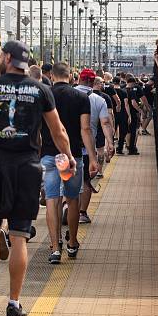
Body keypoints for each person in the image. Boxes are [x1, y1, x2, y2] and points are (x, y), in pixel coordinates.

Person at [0, 40, 77, 316]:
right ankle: (13, 302)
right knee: (19, 236)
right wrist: (69, 156)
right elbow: (58, 129)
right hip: (27, 168)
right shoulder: (40, 89)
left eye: (1, 54)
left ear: (8, 58)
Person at [40, 62, 95, 262]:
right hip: (71, 158)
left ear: (52, 77)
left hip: (49, 156)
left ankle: (55, 248)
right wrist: (93, 158)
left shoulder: (44, 95)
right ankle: (72, 243)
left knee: (52, 200)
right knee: (72, 199)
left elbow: (38, 129)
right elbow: (85, 129)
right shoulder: (81, 97)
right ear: (71, 77)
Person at [75, 69, 114, 224]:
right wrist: (110, 142)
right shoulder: (99, 100)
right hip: (87, 147)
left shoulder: (67, 94)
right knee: (85, 181)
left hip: (64, 146)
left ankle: (64, 208)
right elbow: (105, 122)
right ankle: (82, 213)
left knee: (65, 180)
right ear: (92, 82)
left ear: (79, 79)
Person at [92, 76, 115, 178]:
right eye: (102, 82)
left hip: (88, 126)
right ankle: (100, 171)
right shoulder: (105, 97)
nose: (103, 84)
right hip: (101, 127)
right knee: (100, 150)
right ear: (98, 84)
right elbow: (109, 114)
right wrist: (112, 126)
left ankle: (92, 168)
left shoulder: (86, 95)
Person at [125, 76, 142, 155]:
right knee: (133, 131)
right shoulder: (131, 91)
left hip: (123, 113)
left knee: (127, 130)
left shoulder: (123, 90)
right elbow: (133, 103)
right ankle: (132, 149)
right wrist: (140, 110)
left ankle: (127, 146)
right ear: (132, 83)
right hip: (132, 113)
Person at [113, 76, 129, 155]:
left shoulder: (109, 91)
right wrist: (129, 115)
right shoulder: (123, 92)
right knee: (123, 131)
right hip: (122, 114)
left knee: (112, 131)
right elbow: (126, 104)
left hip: (112, 114)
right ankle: (119, 148)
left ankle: (110, 148)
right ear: (120, 82)